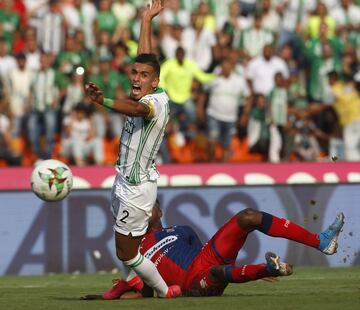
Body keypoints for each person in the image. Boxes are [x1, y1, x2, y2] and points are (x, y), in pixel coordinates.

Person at [84, 0, 180, 299]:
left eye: (143, 76)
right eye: (134, 73)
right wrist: (146, 20)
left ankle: (166, 291)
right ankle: (137, 284)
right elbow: (146, 57)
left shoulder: (152, 104)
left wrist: (103, 102)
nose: (136, 78)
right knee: (131, 246)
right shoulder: (153, 85)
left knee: (126, 253)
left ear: (155, 81)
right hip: (126, 180)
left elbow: (136, 109)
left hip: (136, 187)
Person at [97, 200, 344, 299]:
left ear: (160, 211)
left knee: (248, 216)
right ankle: (264, 269)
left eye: (149, 206)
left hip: (204, 260)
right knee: (215, 273)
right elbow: (143, 292)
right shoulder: (136, 251)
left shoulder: (182, 230)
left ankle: (320, 241)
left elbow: (202, 250)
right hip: (193, 281)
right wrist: (107, 296)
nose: (144, 210)